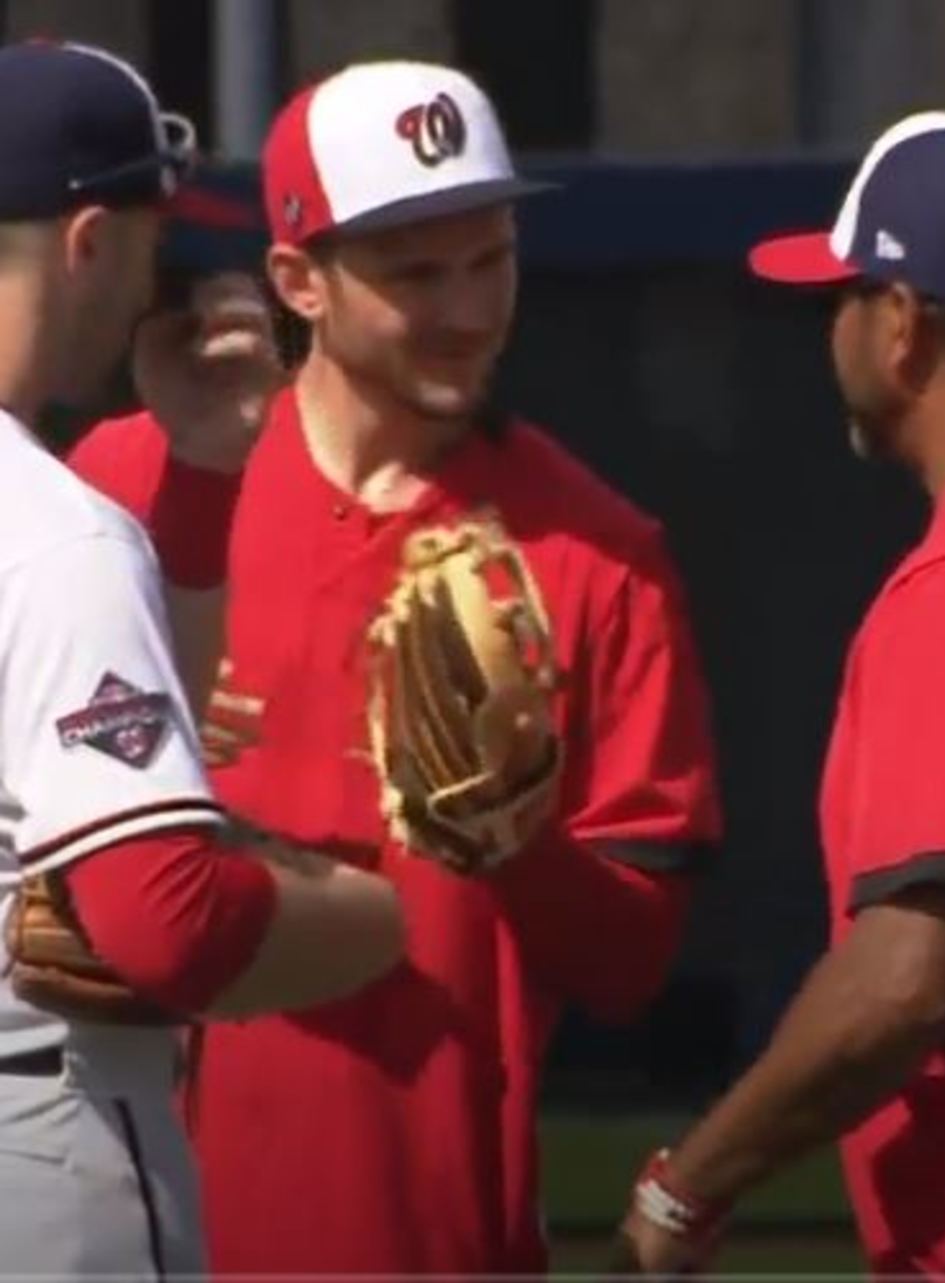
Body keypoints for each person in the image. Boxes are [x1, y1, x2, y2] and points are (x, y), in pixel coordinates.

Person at [71, 59, 721, 1276]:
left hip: (441, 1238)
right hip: (136, 1232)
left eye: (492, 258)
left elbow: (631, 965)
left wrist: (509, 832)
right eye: (417, 272)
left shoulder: (599, 554)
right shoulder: (130, 491)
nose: (469, 308)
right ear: (296, 281)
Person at [0, 40, 402, 1280]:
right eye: (151, 242)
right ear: (87, 243)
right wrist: (376, 917)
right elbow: (160, 914)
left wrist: (199, 467)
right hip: (44, 1149)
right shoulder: (55, 530)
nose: (153, 286)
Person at [617, 111, 945, 1281]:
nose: (834, 333)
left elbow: (906, 974)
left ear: (904, 325)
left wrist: (686, 1185)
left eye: (841, 301)